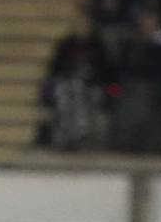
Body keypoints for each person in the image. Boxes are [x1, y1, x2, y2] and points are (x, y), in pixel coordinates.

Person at [37, 10, 112, 150]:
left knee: (79, 95)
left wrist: (108, 91)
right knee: (66, 95)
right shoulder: (65, 45)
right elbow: (55, 70)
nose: (81, 28)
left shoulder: (98, 46)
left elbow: (106, 73)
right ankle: (65, 137)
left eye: (84, 24)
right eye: (78, 24)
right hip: (67, 87)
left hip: (91, 88)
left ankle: (82, 137)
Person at [110, 11, 161, 154]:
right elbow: (125, 67)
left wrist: (156, 45)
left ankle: (155, 146)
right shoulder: (132, 43)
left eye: (151, 24)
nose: (147, 27)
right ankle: (128, 143)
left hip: (160, 86)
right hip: (135, 85)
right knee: (130, 97)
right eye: (144, 24)